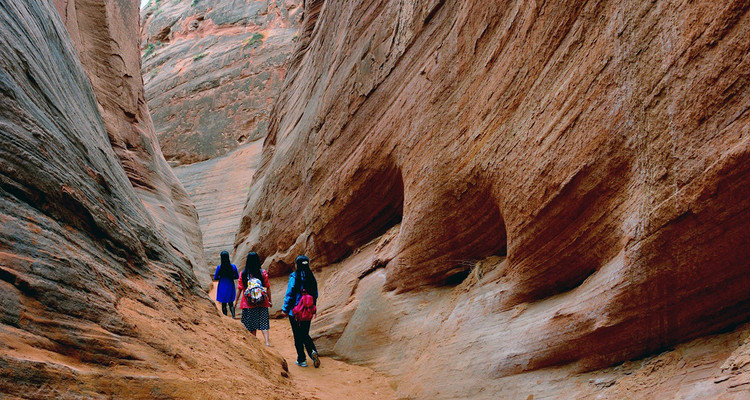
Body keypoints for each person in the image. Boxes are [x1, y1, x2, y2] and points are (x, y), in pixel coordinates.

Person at [281, 255, 320, 368]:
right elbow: (315, 294)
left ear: (296, 265)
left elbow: (290, 293)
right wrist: (313, 308)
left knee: (298, 336)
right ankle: (313, 352)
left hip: (295, 312)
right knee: (305, 333)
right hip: (307, 311)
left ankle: (301, 359)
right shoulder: (311, 277)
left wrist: (285, 309)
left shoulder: (294, 277)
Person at [234, 252, 272, 346]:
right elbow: (267, 287)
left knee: (251, 325)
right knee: (264, 322)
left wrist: (236, 301)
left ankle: (255, 344)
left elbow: (239, 288)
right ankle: (267, 341)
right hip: (262, 302)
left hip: (249, 303)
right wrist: (270, 300)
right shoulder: (262, 272)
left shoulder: (243, 273)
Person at [213, 251, 239, 318]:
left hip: (222, 284)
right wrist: (231, 277)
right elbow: (237, 276)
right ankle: (233, 316)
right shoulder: (233, 266)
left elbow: (215, 277)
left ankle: (226, 317)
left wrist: (221, 277)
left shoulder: (219, 267)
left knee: (223, 303)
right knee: (230, 302)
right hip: (230, 284)